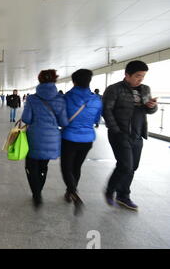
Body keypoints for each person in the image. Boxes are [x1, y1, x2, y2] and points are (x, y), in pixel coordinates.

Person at [103, 60, 158, 211]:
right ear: (127, 75)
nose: (141, 79)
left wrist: (152, 107)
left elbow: (149, 111)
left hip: (137, 134)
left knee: (133, 166)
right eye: (137, 76)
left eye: (143, 76)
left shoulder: (145, 89)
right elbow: (107, 111)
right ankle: (110, 191)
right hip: (119, 133)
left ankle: (123, 196)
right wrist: (116, 131)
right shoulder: (114, 89)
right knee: (125, 165)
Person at [21, 70, 68, 208]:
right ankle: (38, 191)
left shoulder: (32, 99)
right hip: (52, 138)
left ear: (39, 80)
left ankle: (36, 194)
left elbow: (26, 118)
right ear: (55, 80)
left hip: (34, 136)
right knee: (43, 166)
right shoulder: (60, 99)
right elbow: (63, 122)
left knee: (31, 166)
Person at [60, 69, 102, 215]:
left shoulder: (67, 97)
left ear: (74, 81)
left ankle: (73, 192)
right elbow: (97, 120)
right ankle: (69, 192)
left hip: (69, 138)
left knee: (66, 167)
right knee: (77, 167)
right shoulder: (96, 99)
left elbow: (62, 119)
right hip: (87, 139)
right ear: (89, 81)